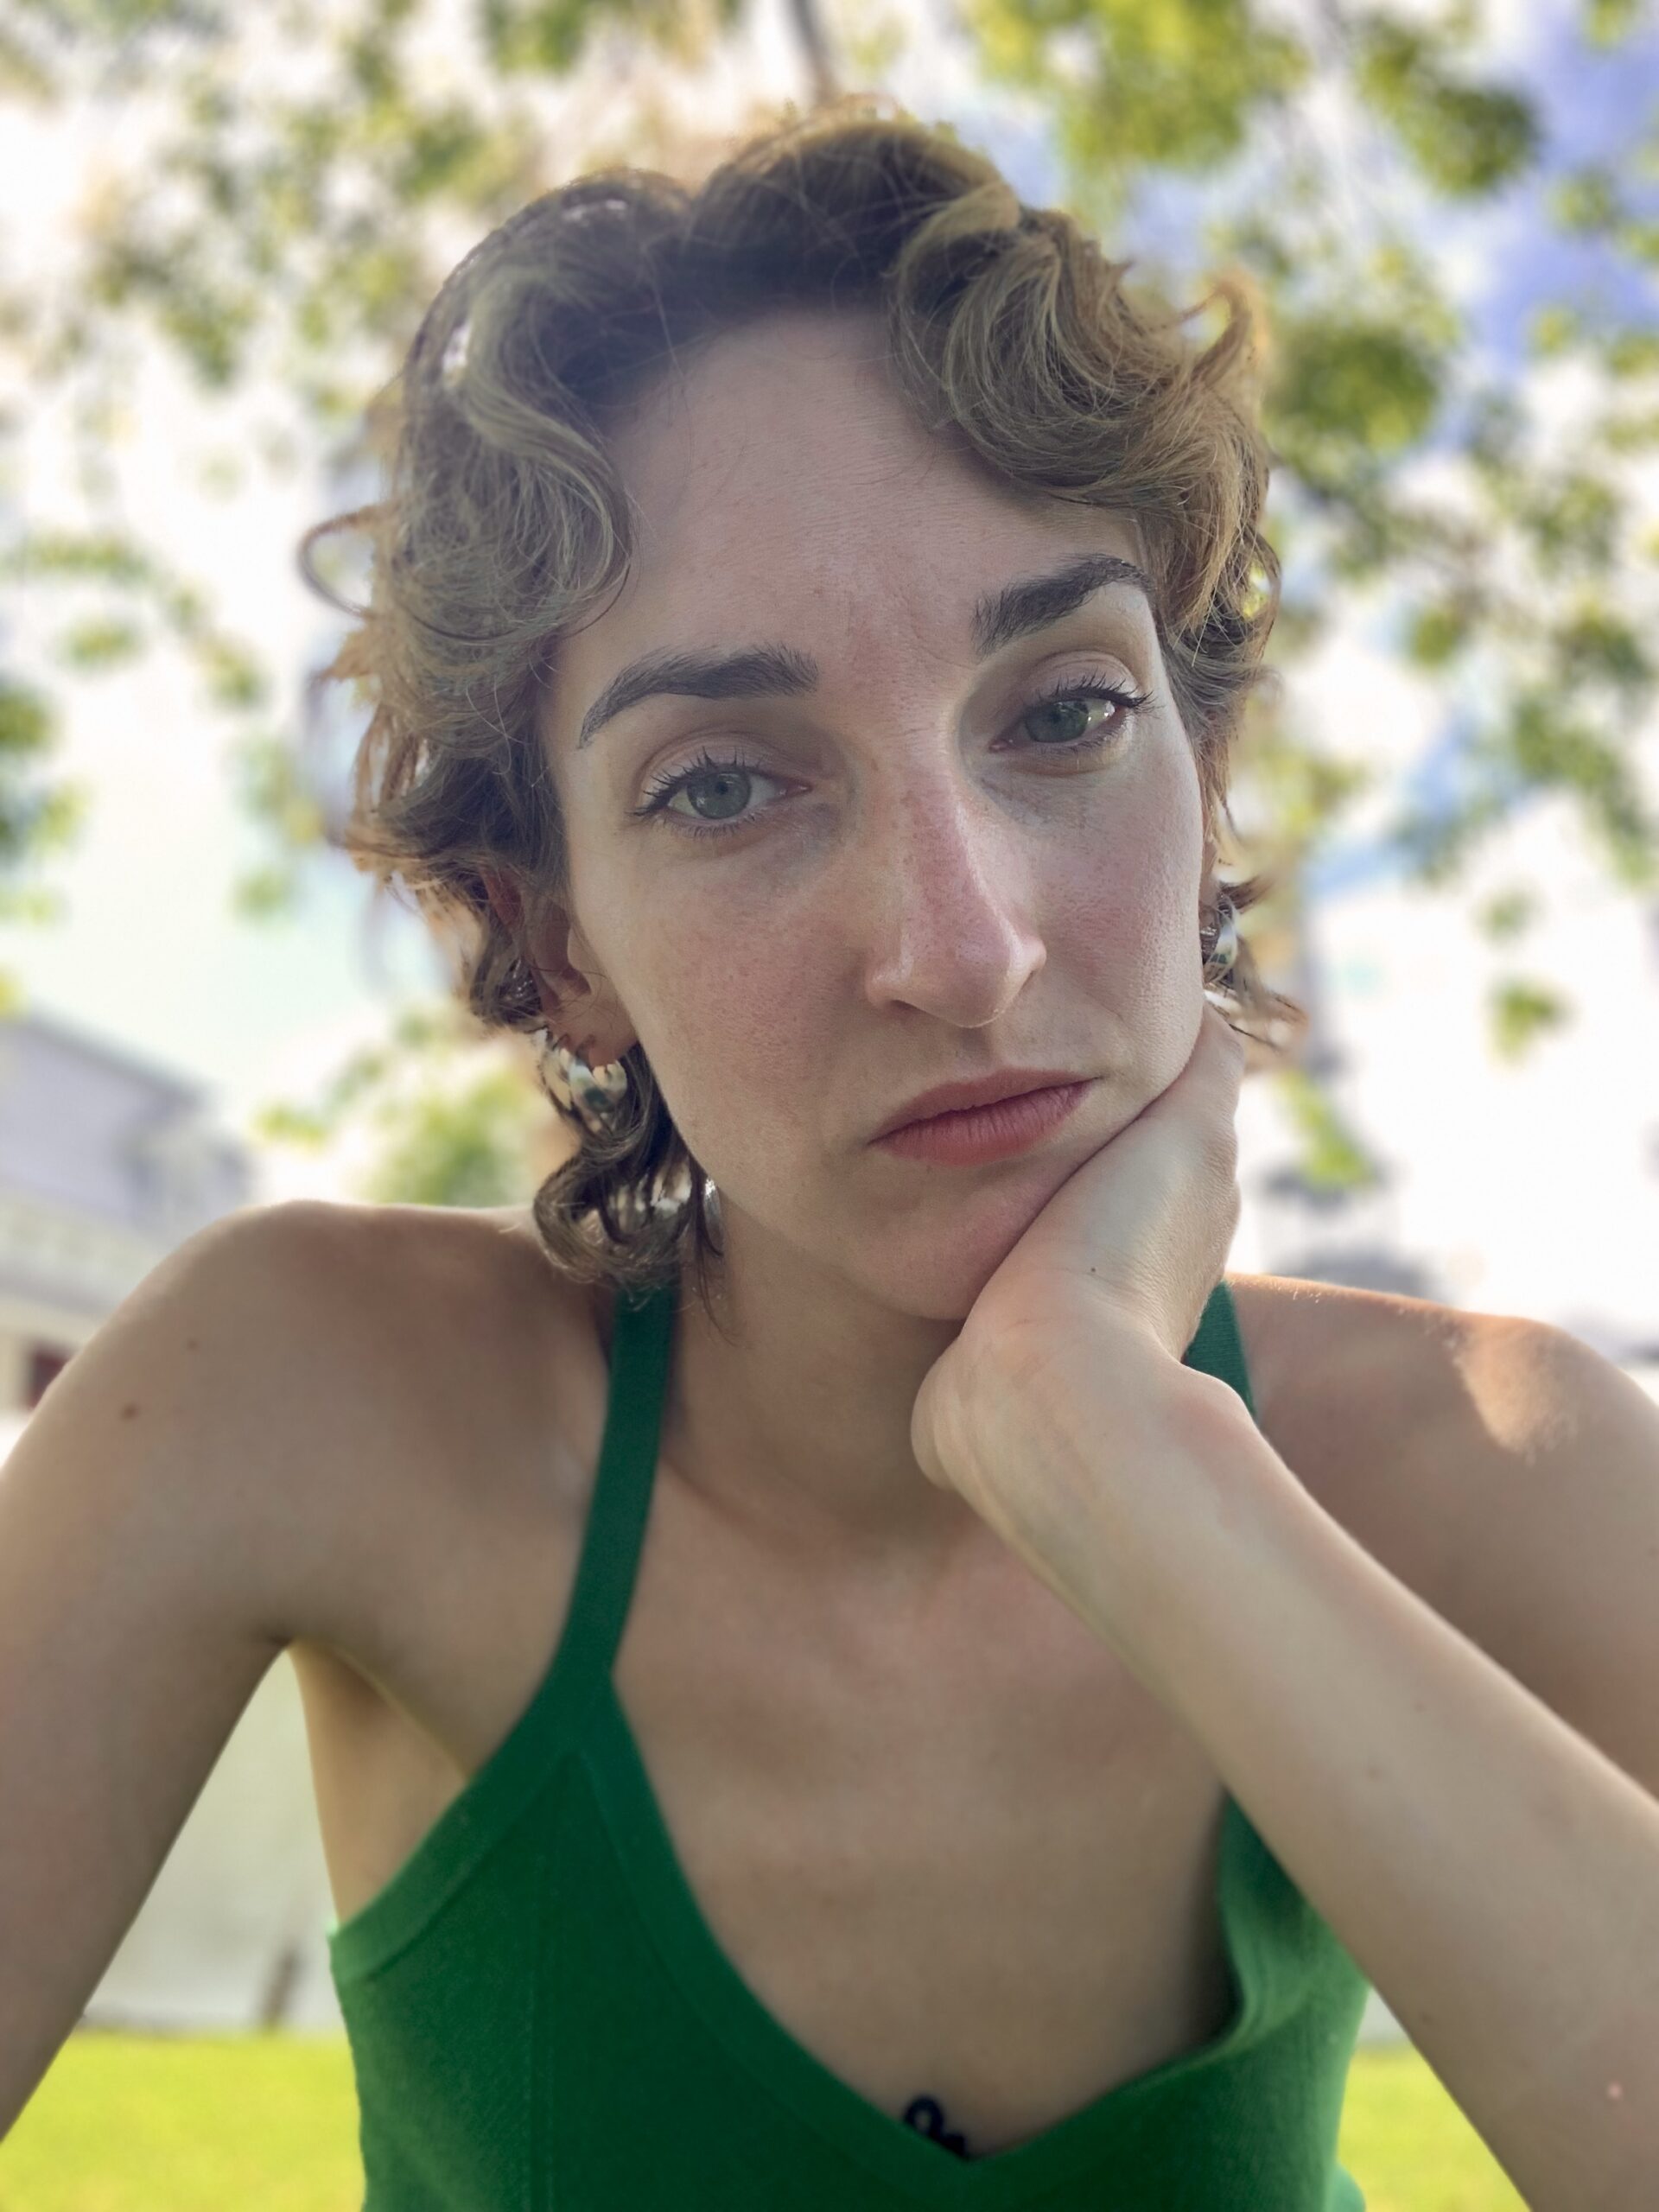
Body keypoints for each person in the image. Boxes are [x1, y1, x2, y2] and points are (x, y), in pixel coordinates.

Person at [5, 95, 1394, 2204]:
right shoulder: (305, 1396)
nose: (964, 946)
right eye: (726, 784)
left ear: (1206, 779)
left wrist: (1129, 1455)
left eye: (1067, 711)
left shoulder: (1463, 1475)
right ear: (559, 940)